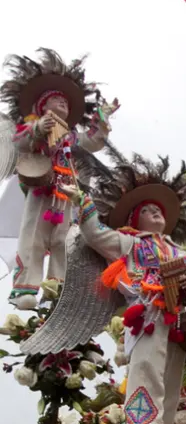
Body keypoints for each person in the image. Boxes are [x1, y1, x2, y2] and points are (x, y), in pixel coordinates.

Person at [19, 145, 186, 424]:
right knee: (146, 368)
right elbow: (94, 235)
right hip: (149, 313)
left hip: (178, 318)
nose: (155, 214)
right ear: (133, 220)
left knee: (172, 375)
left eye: (158, 210)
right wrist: (83, 203)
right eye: (148, 210)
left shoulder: (178, 250)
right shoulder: (129, 243)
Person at [0, 48, 113, 310]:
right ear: (42, 106)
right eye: (56, 100)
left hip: (68, 192)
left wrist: (103, 119)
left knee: (64, 238)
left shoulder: (71, 137)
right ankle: (25, 287)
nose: (63, 103)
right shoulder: (31, 126)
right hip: (41, 189)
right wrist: (38, 129)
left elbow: (93, 142)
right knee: (33, 235)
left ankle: (57, 286)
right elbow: (21, 144)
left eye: (65, 101)